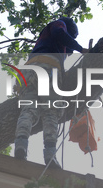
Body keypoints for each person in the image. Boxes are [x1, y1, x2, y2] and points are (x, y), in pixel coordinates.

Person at [14, 16, 88, 168]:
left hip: (28, 71)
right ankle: (50, 155)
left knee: (29, 109)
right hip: (48, 68)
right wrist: (81, 49)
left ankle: (20, 145)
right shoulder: (59, 26)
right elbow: (60, 35)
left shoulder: (43, 40)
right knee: (51, 112)